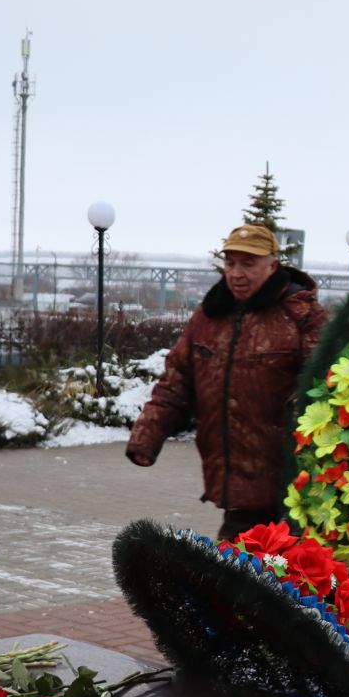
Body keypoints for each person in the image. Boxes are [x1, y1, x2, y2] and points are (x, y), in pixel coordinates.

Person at [127, 224, 328, 540]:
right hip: (237, 487)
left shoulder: (301, 317)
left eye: (249, 264)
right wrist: (146, 437)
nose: (236, 273)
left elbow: (333, 388)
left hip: (295, 490)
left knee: (289, 582)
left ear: (272, 265)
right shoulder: (209, 318)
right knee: (235, 576)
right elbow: (177, 381)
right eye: (231, 263)